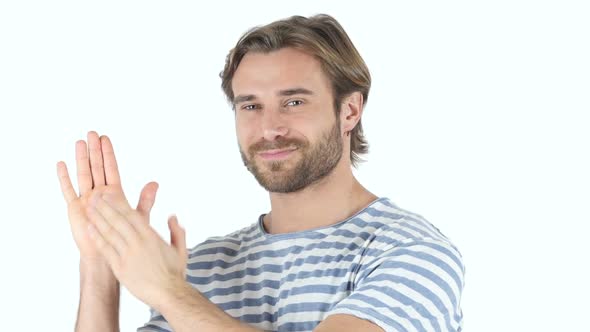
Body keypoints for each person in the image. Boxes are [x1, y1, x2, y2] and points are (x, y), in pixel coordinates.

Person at [57, 14, 464, 332]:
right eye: (250, 106)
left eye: (293, 102)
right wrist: (99, 268)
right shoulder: (202, 267)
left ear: (350, 111)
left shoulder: (410, 252)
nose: (270, 128)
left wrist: (168, 292)